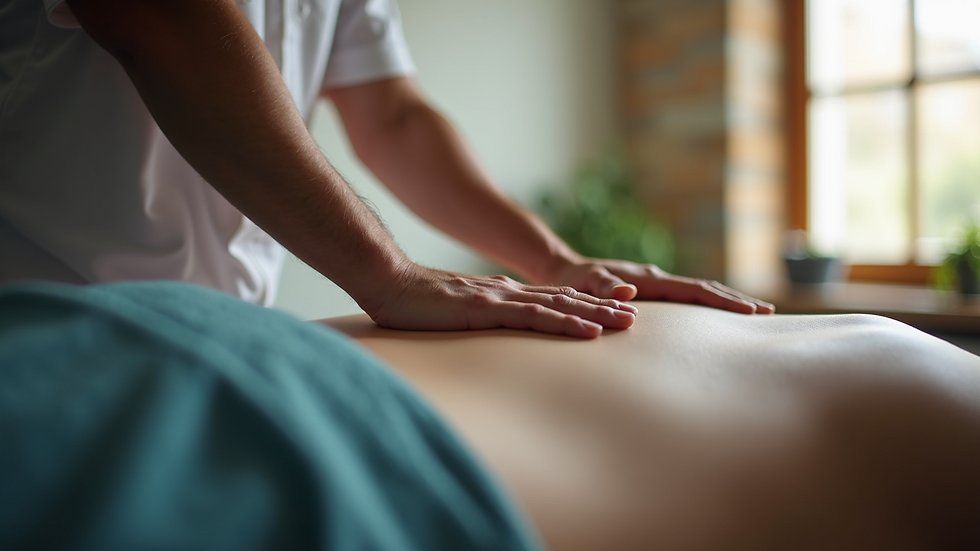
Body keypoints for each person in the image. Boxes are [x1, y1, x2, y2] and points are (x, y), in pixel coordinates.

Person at [0, 0, 774, 339]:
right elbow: (154, 16)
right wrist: (388, 273)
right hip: (43, 318)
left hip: (226, 334)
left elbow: (392, 116)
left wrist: (556, 262)